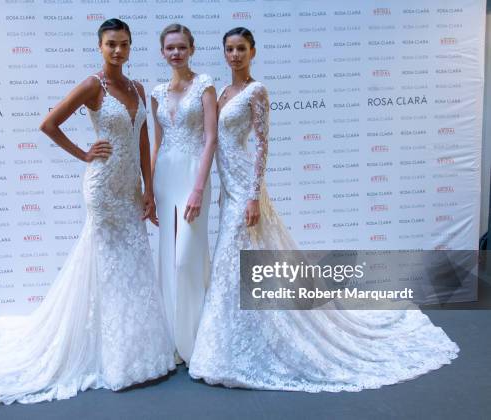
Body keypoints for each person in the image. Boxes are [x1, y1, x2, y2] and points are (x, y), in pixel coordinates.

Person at [188, 27, 459, 391]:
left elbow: (263, 146)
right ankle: (234, 339)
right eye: (229, 50)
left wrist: (253, 195)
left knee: (236, 259)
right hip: (227, 186)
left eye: (241, 49)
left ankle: (239, 346)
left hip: (244, 189)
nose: (234, 55)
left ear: (253, 52)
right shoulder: (222, 92)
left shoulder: (257, 91)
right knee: (235, 259)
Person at [0, 18, 175, 404]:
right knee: (109, 266)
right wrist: (84, 154)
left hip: (129, 190)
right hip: (103, 188)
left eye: (124, 44)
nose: (117, 50)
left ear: (130, 47)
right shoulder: (94, 85)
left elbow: (143, 139)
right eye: (111, 44)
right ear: (100, 46)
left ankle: (138, 349)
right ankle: (109, 354)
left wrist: (148, 189)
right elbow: (49, 123)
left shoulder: (137, 87)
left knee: (133, 264)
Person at [150, 24, 218, 365]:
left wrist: (199, 188)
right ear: (162, 52)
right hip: (165, 176)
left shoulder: (204, 85)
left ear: (191, 48)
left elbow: (210, 139)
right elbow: (157, 142)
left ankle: (195, 342)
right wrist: (149, 189)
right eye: (169, 48)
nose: (175, 53)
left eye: (181, 47)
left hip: (193, 176)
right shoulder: (157, 91)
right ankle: (173, 341)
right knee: (168, 259)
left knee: (186, 259)